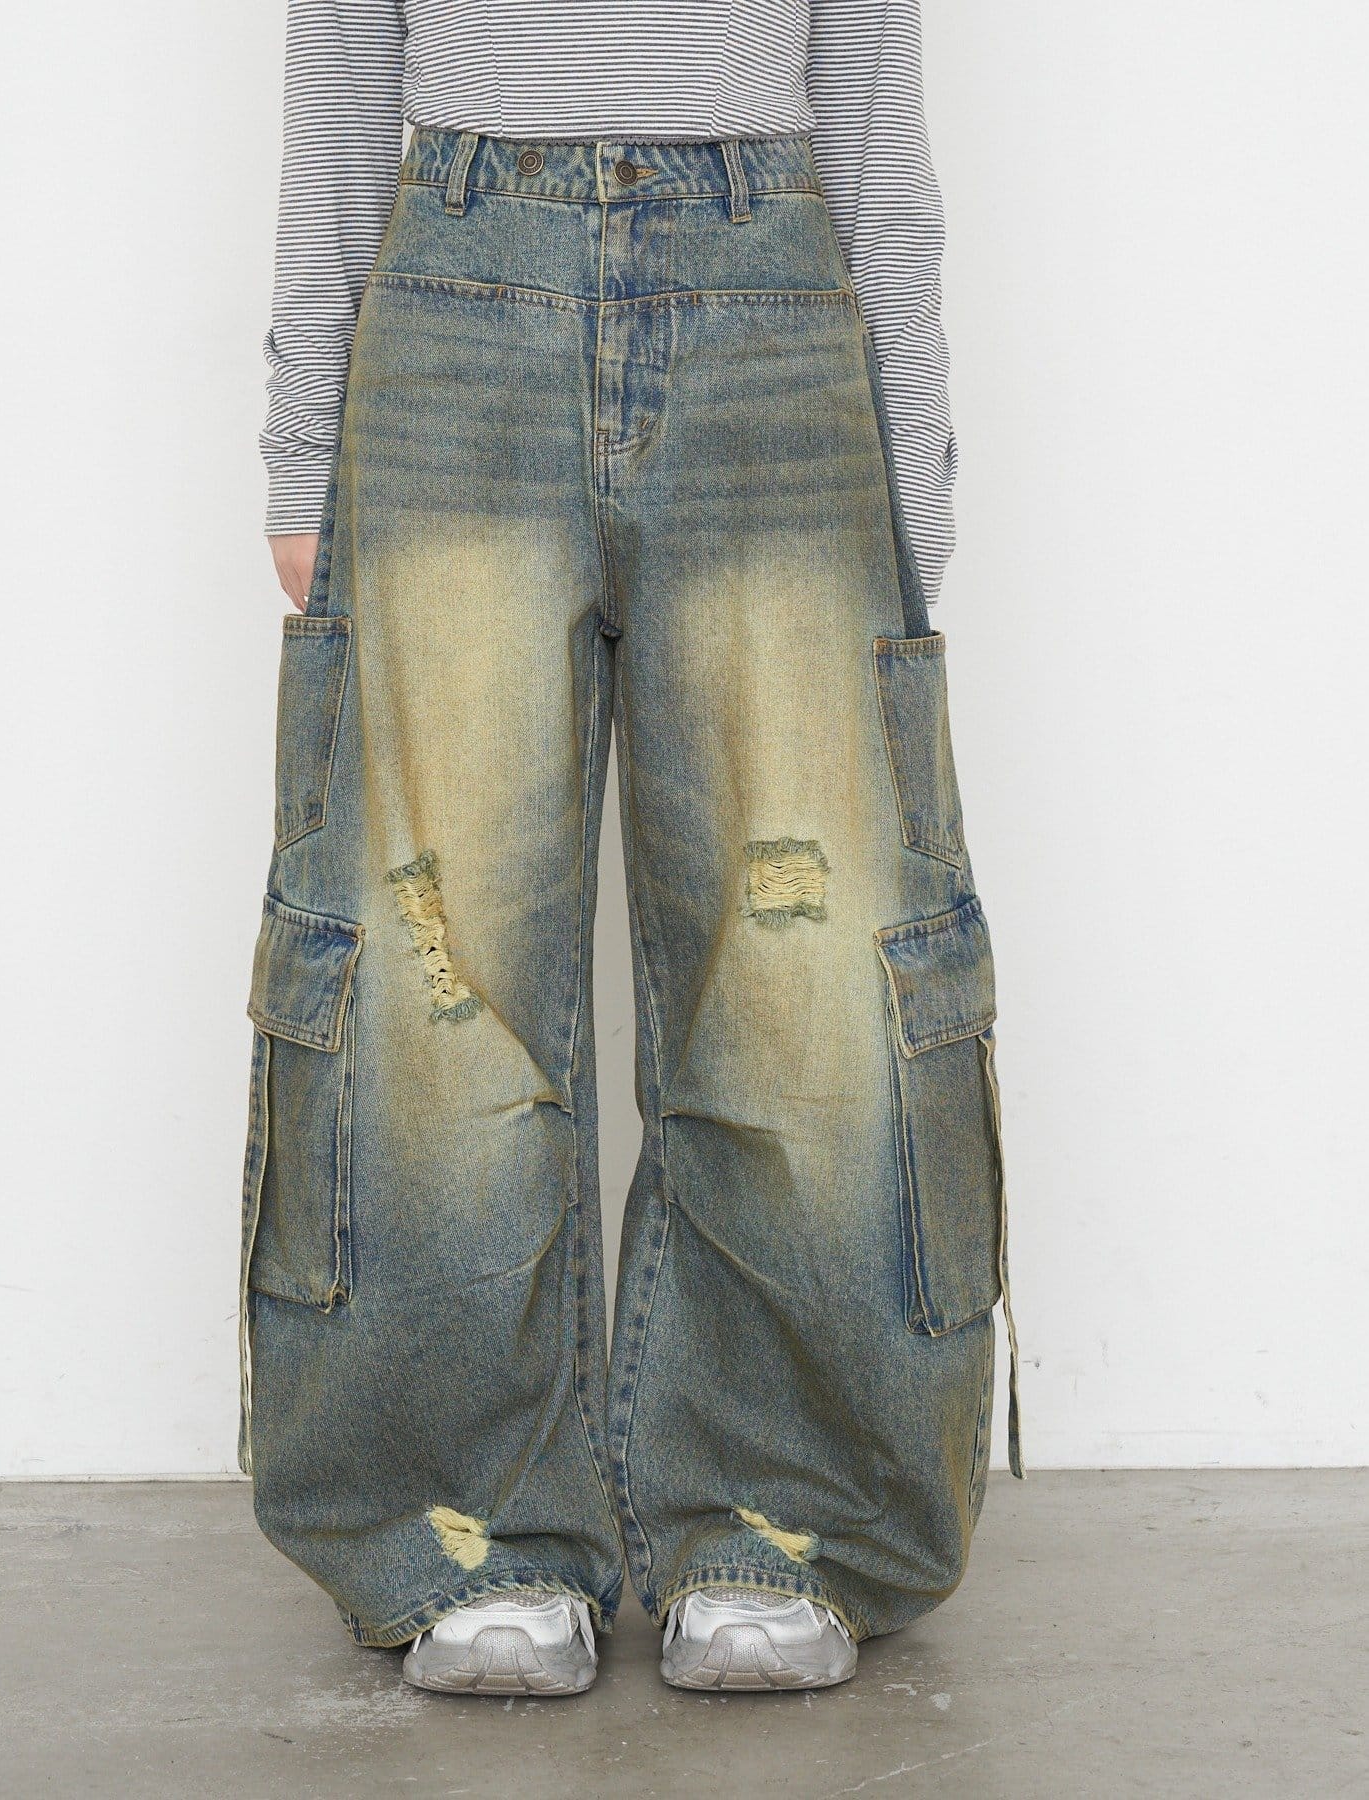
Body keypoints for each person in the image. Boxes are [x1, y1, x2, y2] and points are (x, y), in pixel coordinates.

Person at [241, 0, 1022, 1698]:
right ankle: (466, 1525)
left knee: (799, 968)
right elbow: (343, 54)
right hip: (451, 301)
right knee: (438, 963)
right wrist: (306, 435)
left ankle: (783, 1514)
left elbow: (866, 75)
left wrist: (911, 443)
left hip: (775, 301)